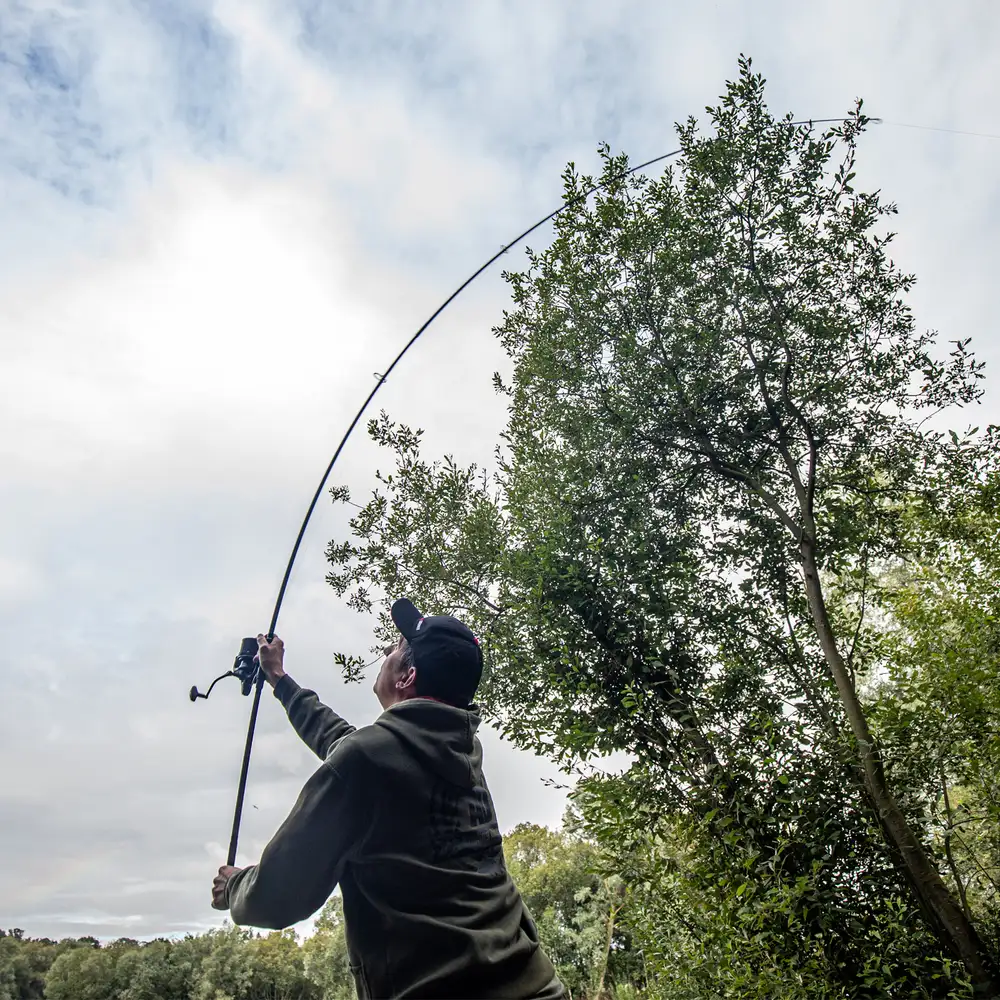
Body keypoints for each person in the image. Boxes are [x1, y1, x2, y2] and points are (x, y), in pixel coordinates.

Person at [210, 598, 565, 1000]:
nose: (386, 651)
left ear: (407, 676)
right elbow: (341, 741)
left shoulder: (367, 761)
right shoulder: (461, 753)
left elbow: (275, 898)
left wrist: (236, 886)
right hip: (536, 987)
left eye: (395, 647)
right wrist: (279, 679)